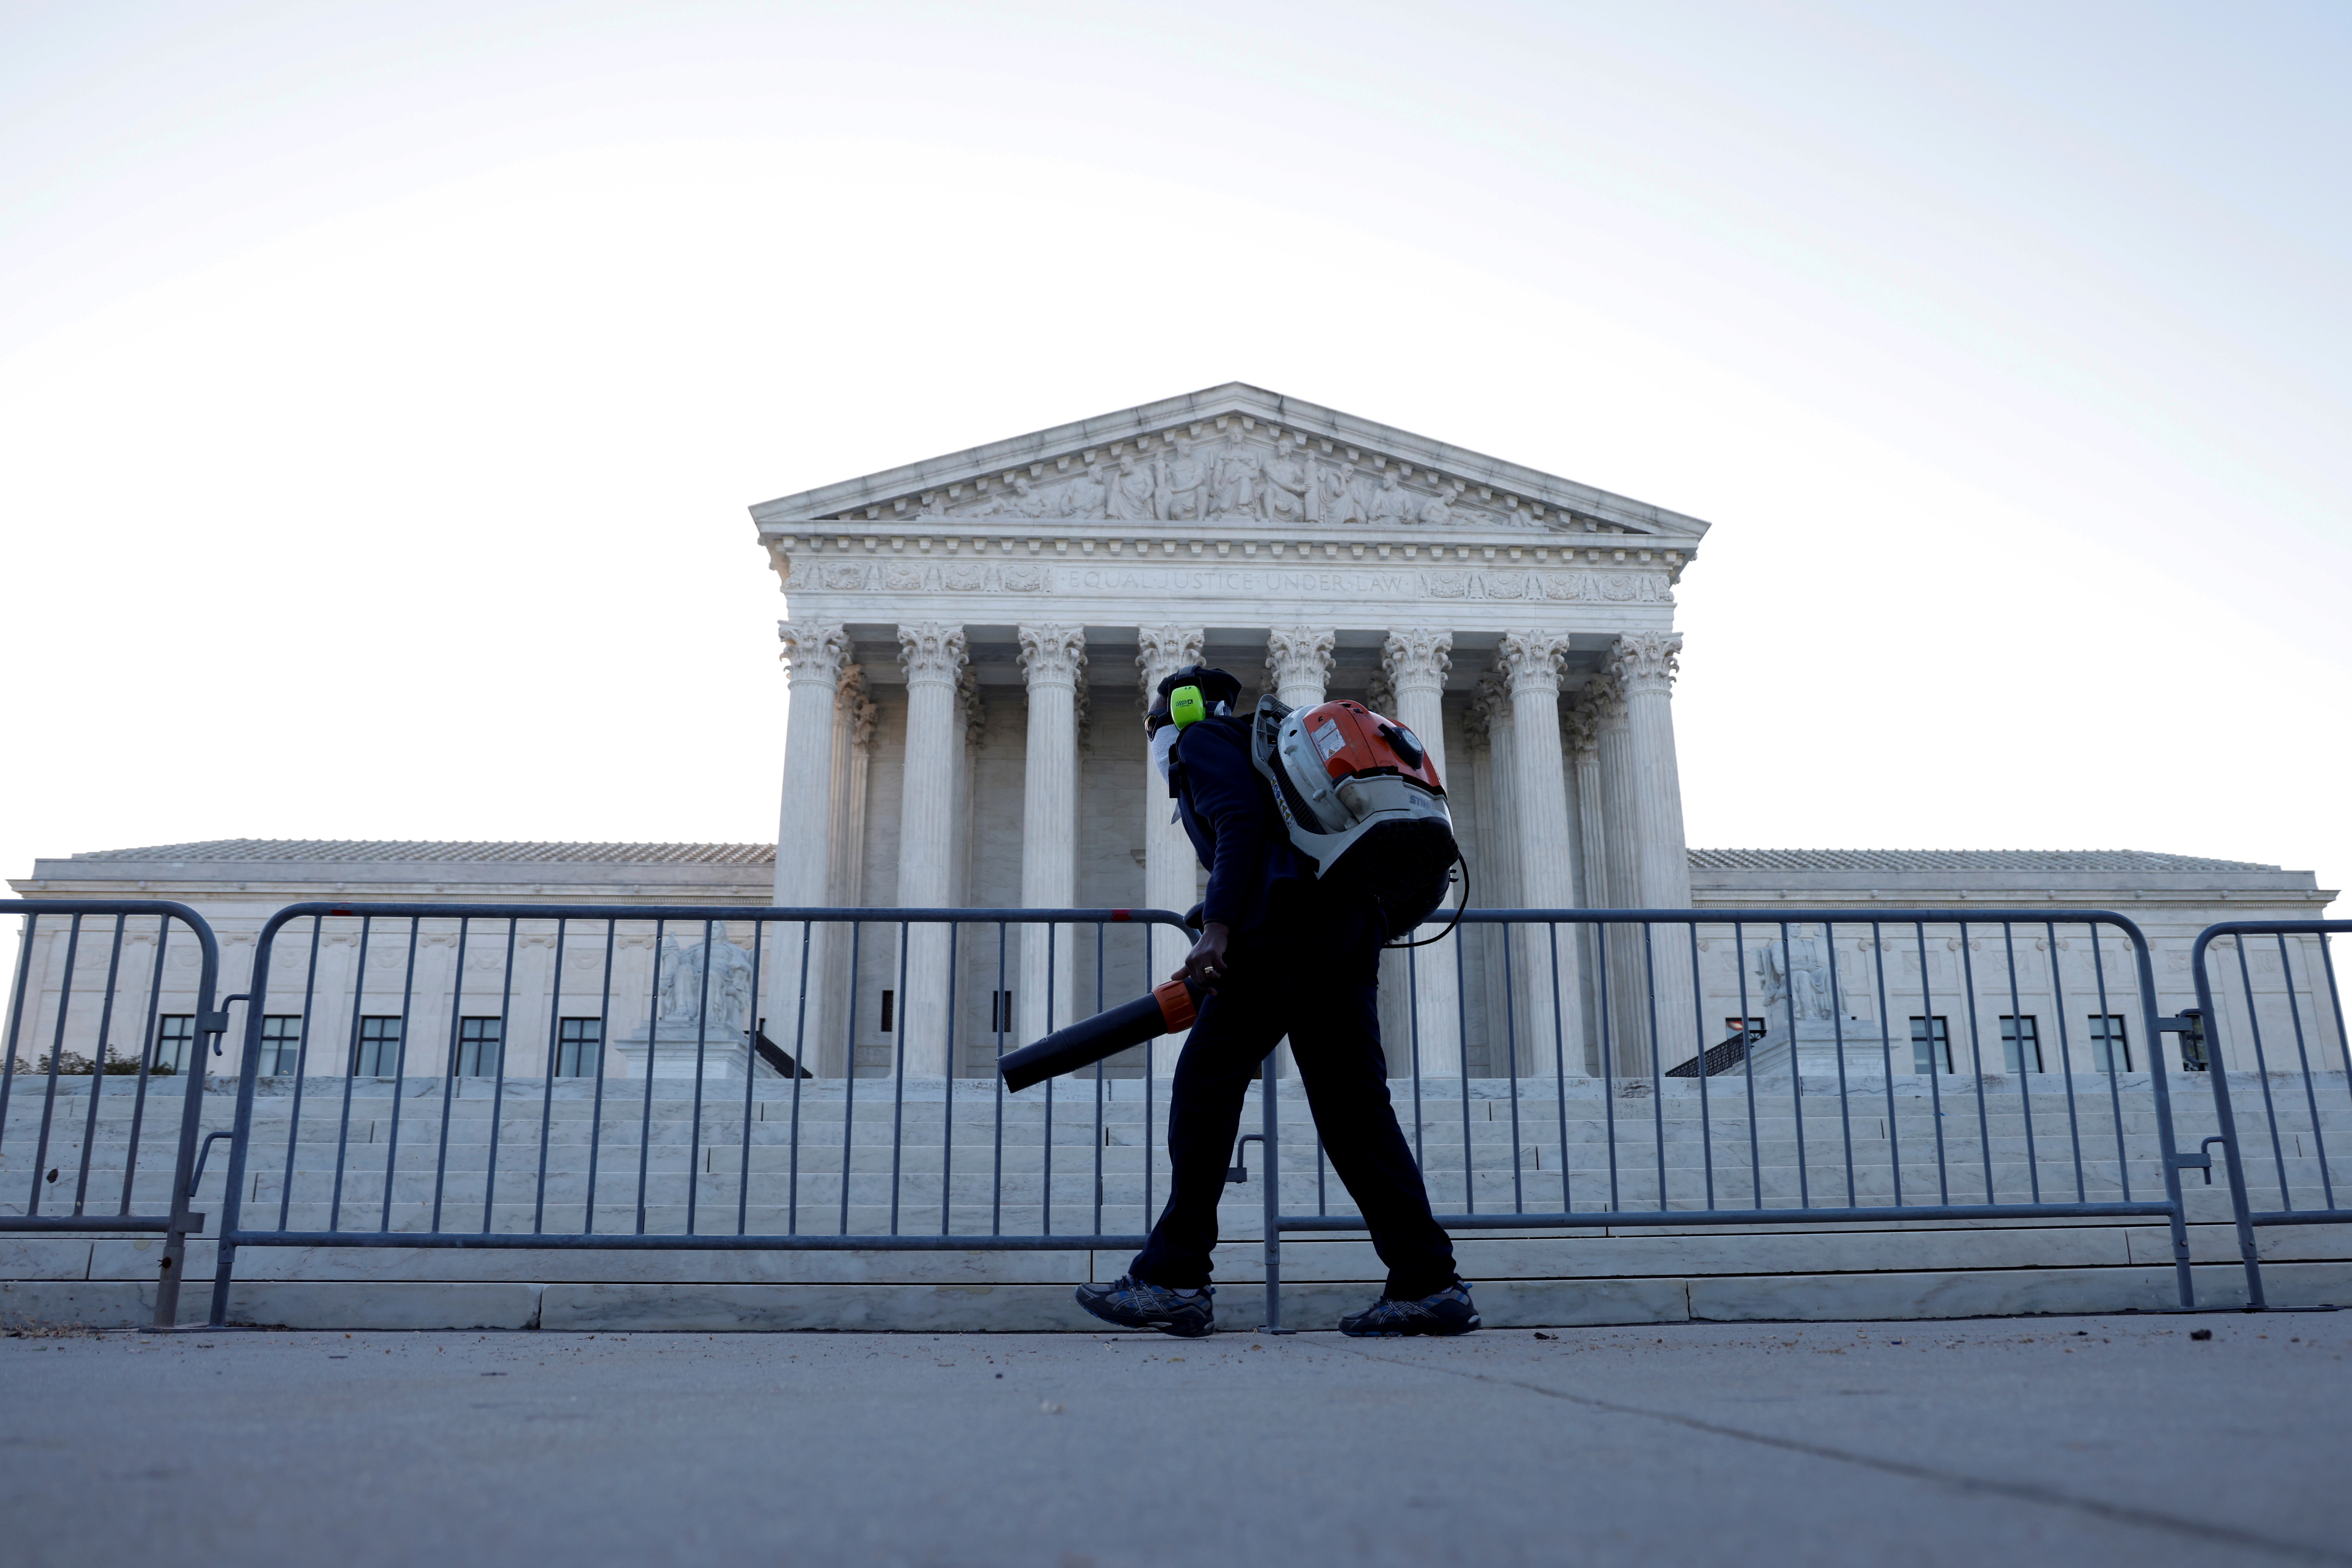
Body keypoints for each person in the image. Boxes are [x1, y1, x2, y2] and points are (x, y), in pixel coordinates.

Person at [1075, 666, 1477, 1339]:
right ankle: (1429, 1282)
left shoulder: (1200, 741)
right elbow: (1275, 842)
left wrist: (1219, 926)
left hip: (1282, 933)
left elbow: (1239, 824)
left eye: (1153, 722)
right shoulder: (1264, 743)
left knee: (1206, 1083)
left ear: (1181, 708)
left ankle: (1174, 1278)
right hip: (1347, 929)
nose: (1155, 735)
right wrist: (1225, 910)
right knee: (1356, 1111)